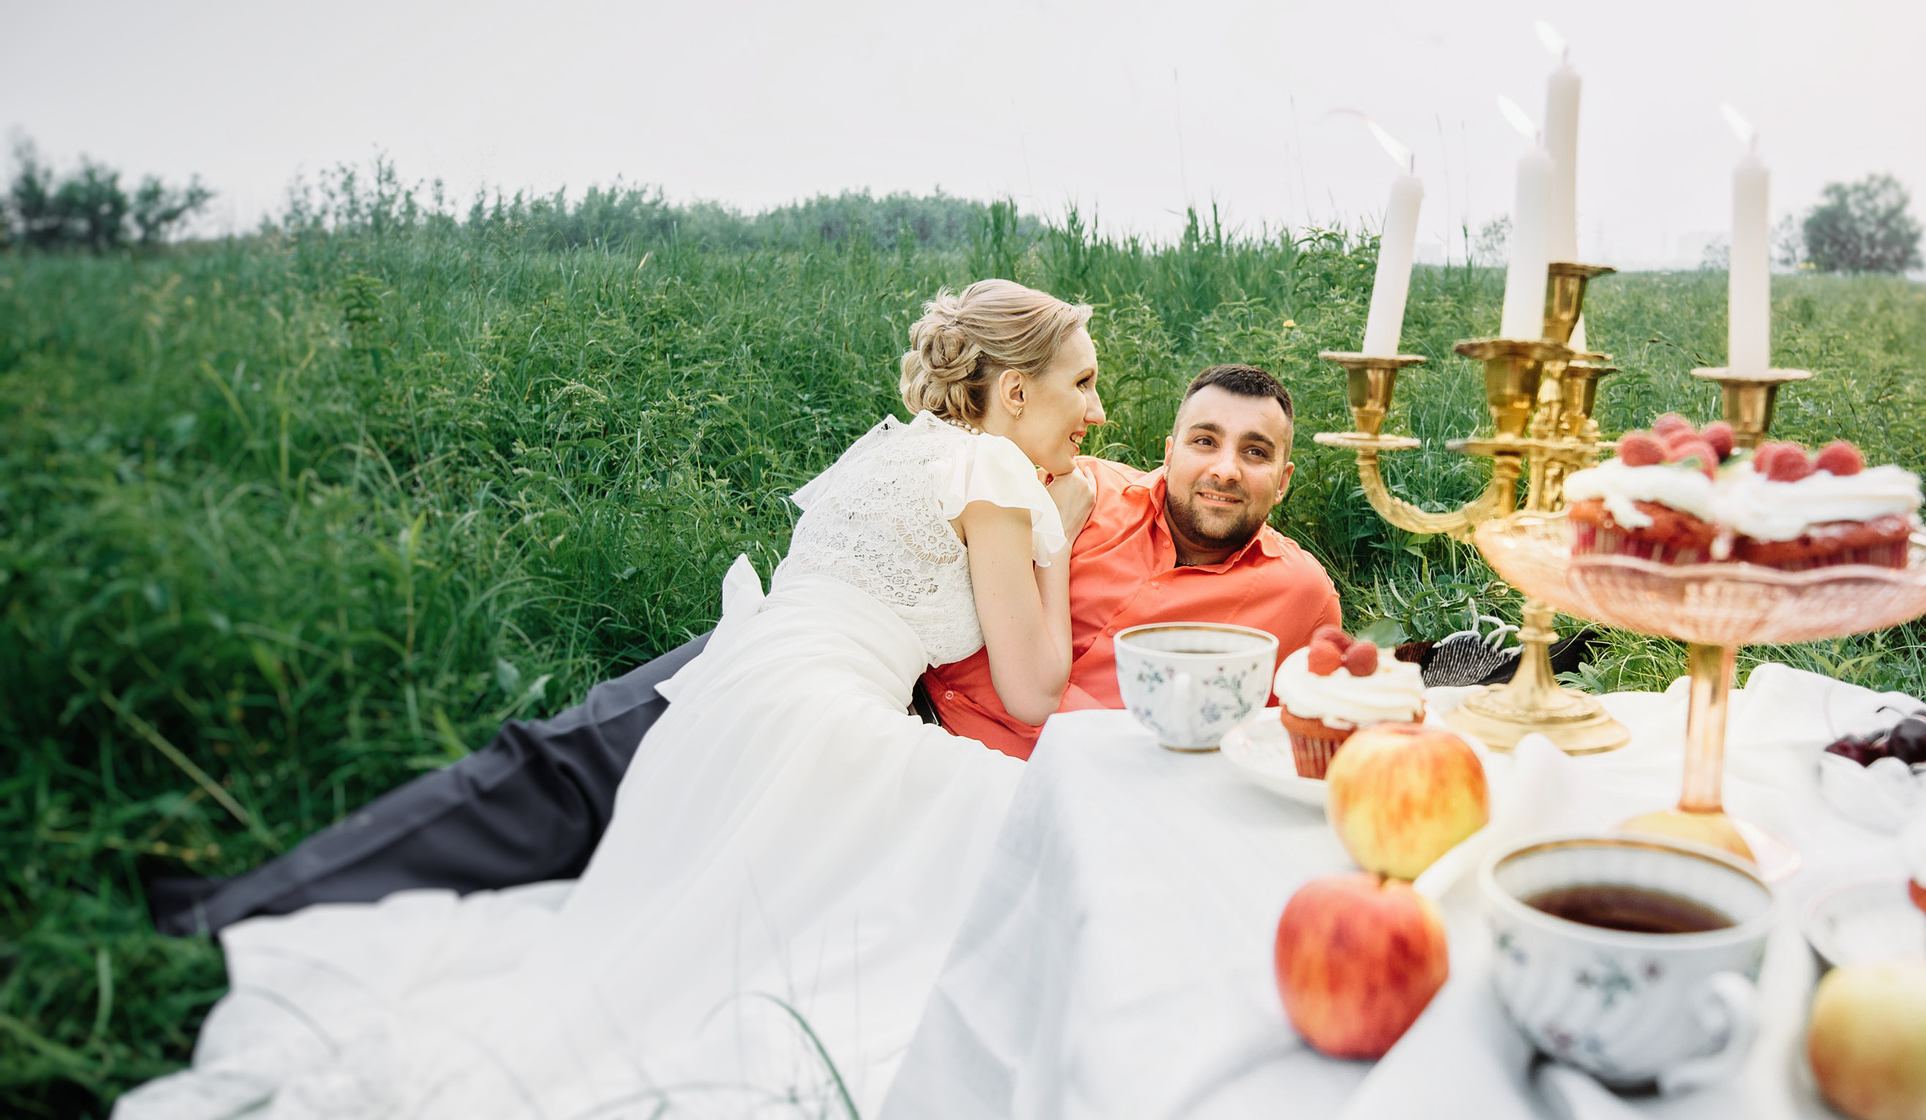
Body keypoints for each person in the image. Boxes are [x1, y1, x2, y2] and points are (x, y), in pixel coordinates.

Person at [95, 281, 1115, 1120]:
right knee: (1001, 821)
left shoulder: (890, 449)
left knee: (681, 913)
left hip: (730, 688)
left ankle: (255, 915)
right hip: (818, 709)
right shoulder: (1001, 472)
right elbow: (1035, 687)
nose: (1094, 409)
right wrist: (1059, 538)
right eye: (1081, 382)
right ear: (1014, 388)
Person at [147, 364, 1341, 936]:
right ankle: (244, 909)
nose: (1222, 467)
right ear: (1168, 444)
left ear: (1285, 477)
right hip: (874, 682)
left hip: (970, 792)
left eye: (1254, 451)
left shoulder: (1293, 591)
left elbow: (1325, 718)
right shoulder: (1083, 489)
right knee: (567, 760)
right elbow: (947, 456)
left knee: (705, 914)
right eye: (1204, 438)